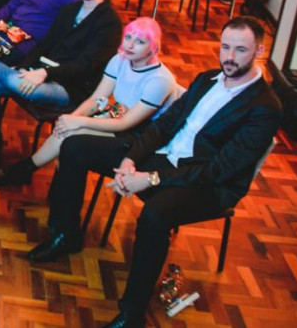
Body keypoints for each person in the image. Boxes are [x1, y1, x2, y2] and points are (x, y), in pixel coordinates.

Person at [28, 17, 281, 328]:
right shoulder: (207, 79)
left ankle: (132, 313)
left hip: (208, 183)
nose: (229, 57)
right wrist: (130, 160)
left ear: (260, 50)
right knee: (75, 147)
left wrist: (150, 179)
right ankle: (65, 233)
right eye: (225, 47)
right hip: (164, 158)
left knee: (155, 216)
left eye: (240, 50)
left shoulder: (265, 107)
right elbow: (164, 126)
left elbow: (222, 168)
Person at [2, 17, 178, 186]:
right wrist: (70, 119)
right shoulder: (120, 60)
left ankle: (25, 171)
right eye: (128, 37)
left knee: (73, 134)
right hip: (119, 116)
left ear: (154, 47)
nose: (130, 45)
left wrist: (76, 121)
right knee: (68, 129)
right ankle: (27, 172)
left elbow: (126, 124)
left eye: (140, 42)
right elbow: (97, 98)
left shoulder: (159, 80)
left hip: (143, 136)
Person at [0, 0, 122, 141]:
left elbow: (85, 66)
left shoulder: (110, 23)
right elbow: (45, 43)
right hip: (42, 72)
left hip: (72, 88)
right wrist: (25, 67)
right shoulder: (70, 9)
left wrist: (45, 73)